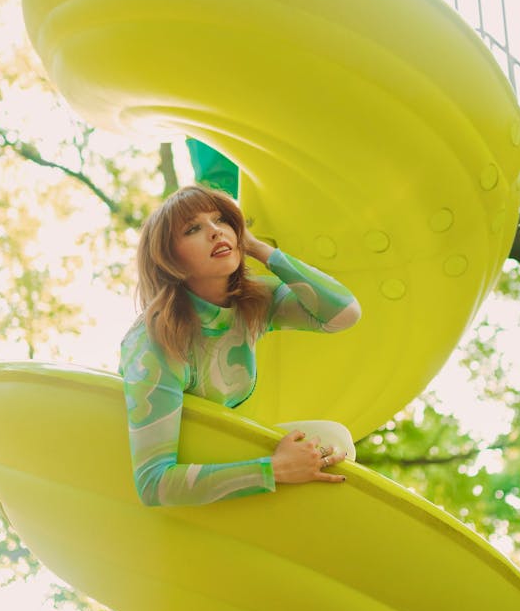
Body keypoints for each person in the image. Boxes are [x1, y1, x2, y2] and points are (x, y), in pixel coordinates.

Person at [119, 184, 361, 507]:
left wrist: (262, 251)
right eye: (193, 229)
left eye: (221, 220)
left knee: (334, 442)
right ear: (167, 259)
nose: (216, 232)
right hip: (167, 489)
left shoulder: (252, 304)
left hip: (218, 462)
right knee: (327, 443)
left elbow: (344, 314)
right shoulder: (156, 340)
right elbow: (153, 484)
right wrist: (274, 470)